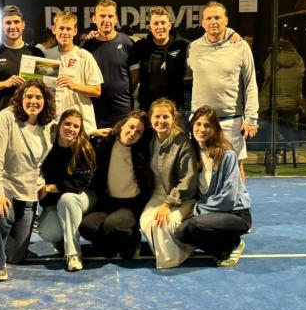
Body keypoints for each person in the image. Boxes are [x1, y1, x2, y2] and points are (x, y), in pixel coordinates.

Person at [0, 79, 56, 281]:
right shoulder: (6, 118)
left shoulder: (47, 124)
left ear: (45, 101)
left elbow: (70, 132)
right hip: (1, 182)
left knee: (16, 256)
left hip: (26, 191)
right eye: (28, 96)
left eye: (38, 97)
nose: (33, 101)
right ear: (20, 99)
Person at [187, 1, 257, 182]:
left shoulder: (240, 46)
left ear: (226, 20)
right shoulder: (193, 48)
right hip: (200, 122)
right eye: (208, 18)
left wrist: (251, 118)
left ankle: (239, 206)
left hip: (231, 120)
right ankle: (204, 207)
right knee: (200, 168)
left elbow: (250, 83)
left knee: (236, 167)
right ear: (203, 23)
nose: (213, 22)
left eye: (217, 17)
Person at [176, 106, 252, 267]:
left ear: (215, 129)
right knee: (181, 232)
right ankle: (225, 249)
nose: (201, 129)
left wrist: (197, 210)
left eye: (207, 125)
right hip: (210, 214)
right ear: (191, 127)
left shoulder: (227, 154)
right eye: (198, 124)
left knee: (195, 225)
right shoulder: (192, 153)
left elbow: (229, 197)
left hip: (235, 214)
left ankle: (234, 242)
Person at [79, 109, 154, 259]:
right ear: (122, 126)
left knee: (113, 226)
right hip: (107, 202)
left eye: (139, 132)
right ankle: (110, 247)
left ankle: (132, 239)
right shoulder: (104, 144)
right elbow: (74, 140)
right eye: (131, 127)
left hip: (131, 205)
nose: (133, 133)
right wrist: (92, 132)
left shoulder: (143, 152)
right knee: (87, 227)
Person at [36, 109, 97, 271]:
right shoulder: (48, 148)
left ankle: (73, 254)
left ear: (80, 130)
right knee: (48, 232)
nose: (71, 128)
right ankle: (62, 239)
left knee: (68, 199)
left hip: (84, 196)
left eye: (76, 126)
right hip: (56, 201)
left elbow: (79, 184)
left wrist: (51, 187)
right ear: (60, 125)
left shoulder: (84, 148)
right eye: (67, 124)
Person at [139, 98, 197, 269]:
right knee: (145, 222)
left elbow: (188, 180)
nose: (161, 121)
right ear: (150, 120)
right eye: (157, 117)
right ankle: (182, 250)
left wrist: (168, 204)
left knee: (161, 224)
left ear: (173, 118)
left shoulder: (182, 143)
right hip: (158, 194)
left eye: (166, 117)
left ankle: (171, 260)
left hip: (182, 198)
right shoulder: (151, 140)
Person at [0, 5, 44, 115]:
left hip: (31, 117)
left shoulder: (36, 53)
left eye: (16, 22)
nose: (12, 26)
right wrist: (4, 83)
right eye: (8, 23)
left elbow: (45, 86)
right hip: (3, 117)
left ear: (23, 25)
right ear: (2, 26)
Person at [82, 0, 139, 128]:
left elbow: (135, 75)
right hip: (94, 112)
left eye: (110, 16)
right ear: (94, 19)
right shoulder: (87, 46)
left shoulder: (127, 43)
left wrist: (122, 92)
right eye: (102, 16)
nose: (106, 20)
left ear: (116, 19)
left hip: (122, 112)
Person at [53, 11, 103, 134]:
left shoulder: (84, 56)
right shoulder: (46, 55)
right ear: (54, 30)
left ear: (74, 31)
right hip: (55, 124)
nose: (64, 32)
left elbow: (97, 91)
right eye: (61, 28)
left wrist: (73, 85)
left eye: (68, 29)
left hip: (82, 126)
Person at [133, 6, 189, 112]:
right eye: (156, 23)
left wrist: (230, 35)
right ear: (150, 27)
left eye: (163, 23)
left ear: (169, 25)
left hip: (175, 110)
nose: (160, 27)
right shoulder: (140, 47)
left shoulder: (183, 46)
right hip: (147, 109)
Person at [259, 37, 305, 139]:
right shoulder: (298, 59)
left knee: (266, 113)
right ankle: (288, 140)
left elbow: (267, 74)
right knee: (291, 116)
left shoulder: (274, 58)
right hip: (294, 103)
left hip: (276, 103)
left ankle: (273, 139)